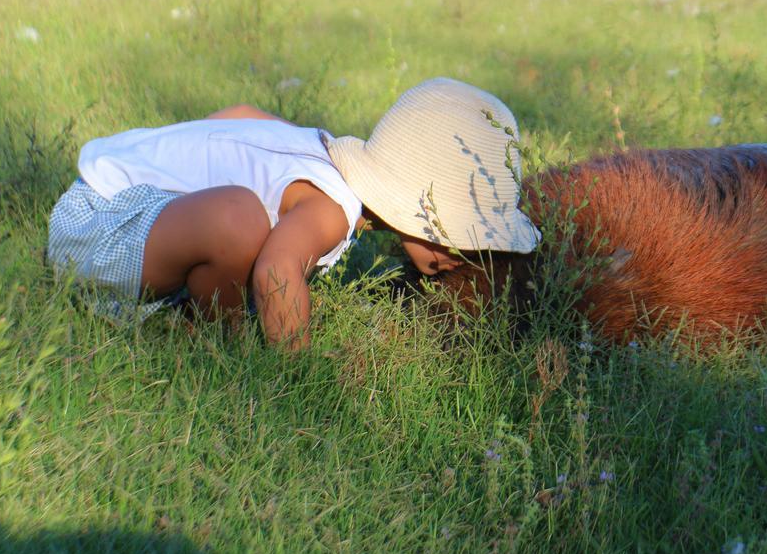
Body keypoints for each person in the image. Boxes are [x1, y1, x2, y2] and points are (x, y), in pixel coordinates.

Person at [47, 77, 541, 351]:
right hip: (98, 234)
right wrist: (299, 374)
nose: (460, 253)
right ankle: (219, 338)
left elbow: (241, 115)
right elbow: (276, 271)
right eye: (456, 230)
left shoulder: (313, 147)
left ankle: (197, 309)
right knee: (239, 219)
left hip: (105, 202)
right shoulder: (334, 207)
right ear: (412, 199)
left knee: (241, 215)